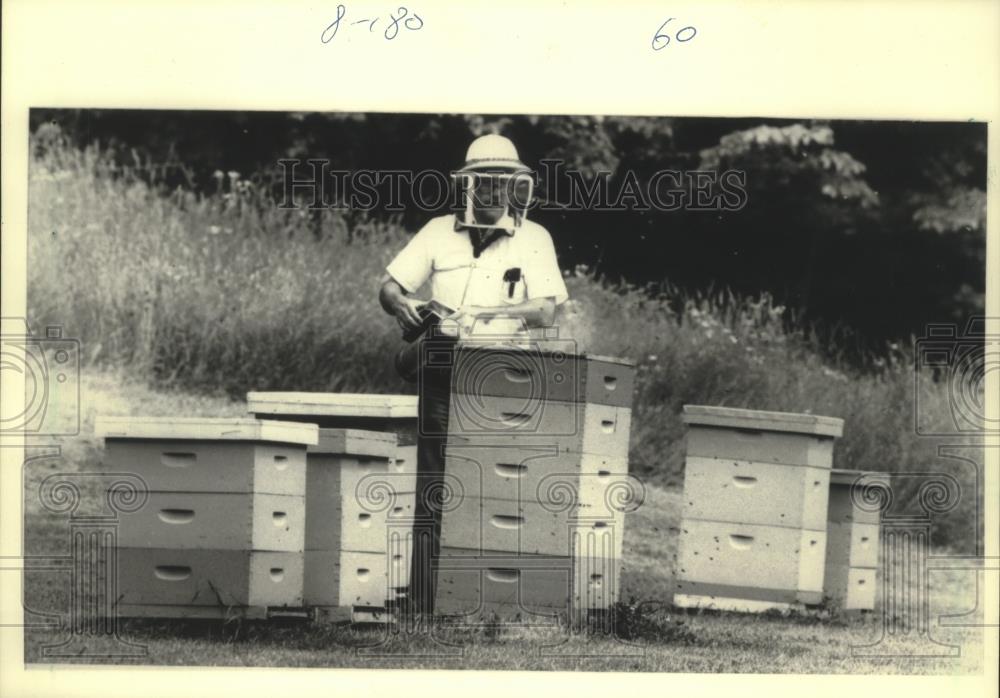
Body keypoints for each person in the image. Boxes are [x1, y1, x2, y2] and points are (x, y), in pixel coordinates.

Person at [378, 134, 569, 615]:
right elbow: (389, 286)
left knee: (495, 484)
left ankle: (485, 596)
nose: (491, 189)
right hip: (444, 365)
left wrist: (482, 313)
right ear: (467, 183)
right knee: (436, 478)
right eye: (482, 179)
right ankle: (424, 595)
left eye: (502, 180)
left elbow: (547, 312)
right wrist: (402, 306)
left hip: (505, 371)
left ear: (516, 186)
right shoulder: (438, 231)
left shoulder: (535, 237)